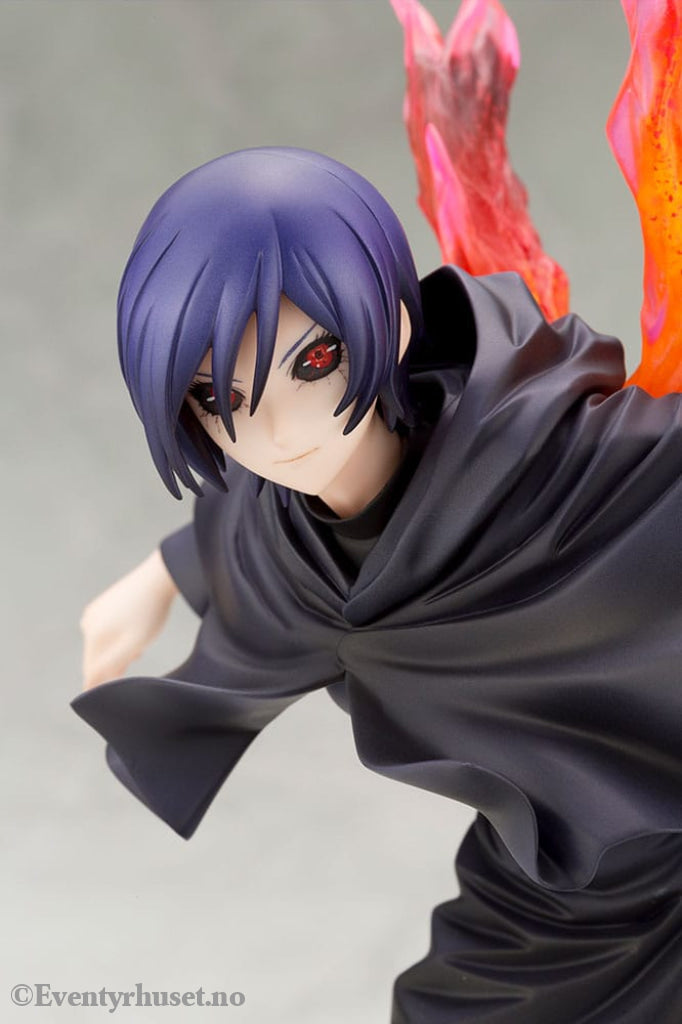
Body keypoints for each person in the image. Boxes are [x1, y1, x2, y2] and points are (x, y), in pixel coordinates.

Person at [75, 147, 682, 1022]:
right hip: (551, 894)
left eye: (314, 361)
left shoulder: (564, 469)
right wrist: (154, 579)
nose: (278, 432)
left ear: (392, 327)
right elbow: (238, 536)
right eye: (219, 398)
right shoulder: (286, 537)